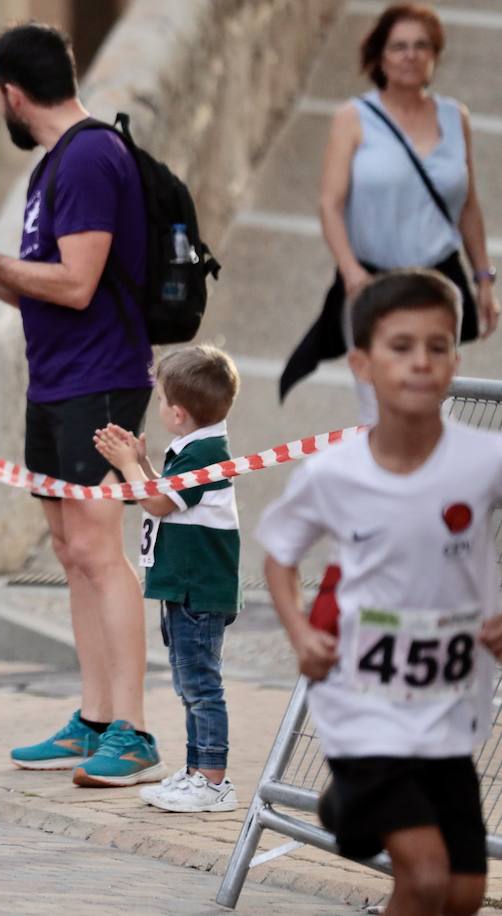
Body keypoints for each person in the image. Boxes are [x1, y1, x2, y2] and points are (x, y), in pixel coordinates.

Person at [0, 21, 159, 786]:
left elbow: (78, 281)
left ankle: (135, 733)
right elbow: (33, 287)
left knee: (98, 551)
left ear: (12, 95)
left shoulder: (88, 156)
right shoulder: (56, 166)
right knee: (69, 551)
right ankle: (92, 719)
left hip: (100, 379)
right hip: (55, 380)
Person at [260, 269, 502, 915]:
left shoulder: (485, 460)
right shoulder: (334, 472)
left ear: (455, 356)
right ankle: (354, 793)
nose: (421, 363)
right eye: (401, 347)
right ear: (363, 363)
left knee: (462, 895)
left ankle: (349, 807)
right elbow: (280, 554)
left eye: (438, 345)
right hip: (361, 709)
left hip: (447, 709)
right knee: (423, 879)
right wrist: (300, 632)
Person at [282, 2, 498, 422]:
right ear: (380, 55)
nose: (411, 55)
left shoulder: (456, 118)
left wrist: (484, 277)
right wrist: (351, 272)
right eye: (399, 46)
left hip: (440, 283)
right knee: (378, 409)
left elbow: (468, 204)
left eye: (421, 46)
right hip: (373, 281)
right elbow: (330, 203)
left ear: (435, 54)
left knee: (437, 404)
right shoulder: (353, 118)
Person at [94, 345, 242, 808]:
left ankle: (214, 780)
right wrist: (145, 465)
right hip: (183, 586)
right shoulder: (193, 451)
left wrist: (128, 467)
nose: (157, 409)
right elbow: (170, 496)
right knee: (189, 683)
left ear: (177, 413)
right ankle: (198, 769)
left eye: (159, 401)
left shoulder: (204, 456)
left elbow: (157, 503)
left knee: (201, 686)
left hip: (197, 589)